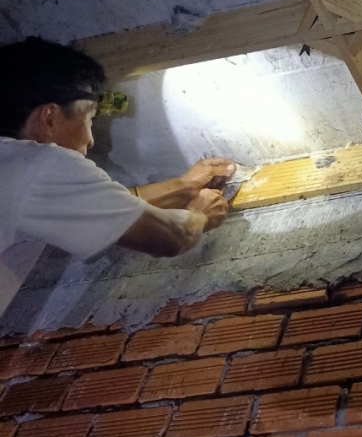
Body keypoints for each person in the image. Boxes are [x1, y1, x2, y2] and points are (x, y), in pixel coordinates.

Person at [0, 37, 231, 295]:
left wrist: (183, 187)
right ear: (49, 118)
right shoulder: (42, 164)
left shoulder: (16, 167)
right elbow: (170, 237)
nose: (91, 140)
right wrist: (201, 213)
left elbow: (99, 207)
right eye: (89, 119)